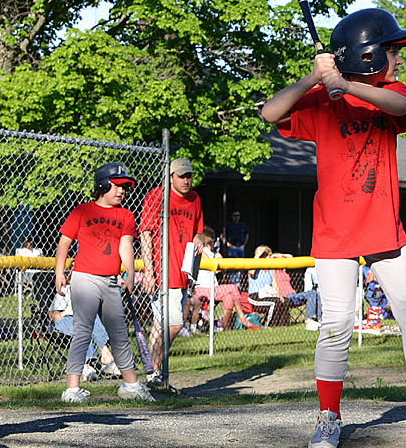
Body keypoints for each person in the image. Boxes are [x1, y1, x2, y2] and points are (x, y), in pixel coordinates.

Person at [262, 8, 406, 447]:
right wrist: (314, 79)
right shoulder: (321, 104)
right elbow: (270, 113)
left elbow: (401, 106)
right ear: (369, 55)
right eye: (391, 51)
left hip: (385, 230)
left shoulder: (390, 92)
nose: (400, 58)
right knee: (335, 327)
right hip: (334, 234)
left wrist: (347, 85)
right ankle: (328, 418)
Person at [54, 162, 154, 403]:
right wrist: (59, 272)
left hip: (111, 280)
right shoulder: (82, 211)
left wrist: (130, 272)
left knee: (119, 333)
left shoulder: (125, 215)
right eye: (117, 186)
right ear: (102, 186)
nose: (122, 191)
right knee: (82, 332)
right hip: (85, 278)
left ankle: (131, 386)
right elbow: (64, 243)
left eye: (125, 187)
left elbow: (126, 245)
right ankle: (72, 389)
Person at [140, 158, 204, 386]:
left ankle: (153, 375)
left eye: (189, 176)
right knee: (174, 324)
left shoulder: (195, 199)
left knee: (160, 324)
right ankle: (154, 370)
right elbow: (145, 233)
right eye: (181, 176)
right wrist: (149, 271)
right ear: (170, 177)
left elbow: (197, 231)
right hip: (161, 271)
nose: (186, 180)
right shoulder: (157, 195)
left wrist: (198, 240)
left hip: (182, 272)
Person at [47, 282, 121, 380]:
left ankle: (105, 354)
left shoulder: (89, 289)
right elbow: (52, 315)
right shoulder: (66, 289)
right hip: (64, 320)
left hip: (84, 318)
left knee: (91, 318)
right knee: (83, 325)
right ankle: (87, 365)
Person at [192, 232, 259, 330]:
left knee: (229, 297)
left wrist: (219, 258)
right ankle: (242, 317)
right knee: (233, 288)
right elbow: (214, 268)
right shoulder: (202, 253)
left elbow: (221, 269)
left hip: (212, 288)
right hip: (201, 289)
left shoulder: (211, 253)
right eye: (213, 241)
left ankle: (223, 327)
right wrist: (216, 258)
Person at [263, 246, 323, 331]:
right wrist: (272, 256)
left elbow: (290, 257)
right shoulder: (272, 270)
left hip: (294, 295)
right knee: (312, 293)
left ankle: (320, 320)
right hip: (285, 297)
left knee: (317, 294)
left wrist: (280, 255)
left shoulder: (283, 270)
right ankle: (309, 320)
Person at [247, 245, 290, 327]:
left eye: (268, 255)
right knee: (274, 303)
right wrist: (257, 255)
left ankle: (282, 325)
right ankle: (268, 325)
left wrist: (279, 296)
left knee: (285, 301)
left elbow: (274, 284)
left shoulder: (271, 269)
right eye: (265, 255)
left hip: (267, 294)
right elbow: (251, 272)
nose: (268, 257)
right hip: (255, 297)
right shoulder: (254, 267)